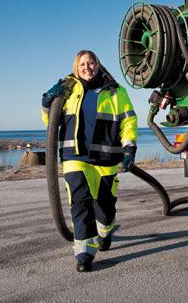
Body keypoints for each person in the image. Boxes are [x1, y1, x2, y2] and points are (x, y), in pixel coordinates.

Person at [41, 50, 138, 272]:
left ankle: (105, 231)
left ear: (98, 64)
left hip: (105, 158)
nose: (87, 67)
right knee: (80, 202)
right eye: (82, 63)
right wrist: (47, 101)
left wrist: (130, 147)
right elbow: (49, 120)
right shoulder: (66, 88)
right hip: (74, 156)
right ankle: (84, 253)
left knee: (104, 207)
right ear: (77, 67)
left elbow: (128, 121)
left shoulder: (115, 91)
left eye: (91, 62)